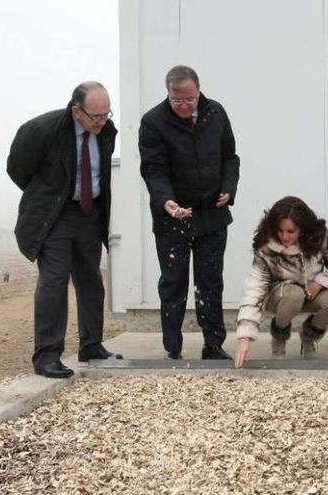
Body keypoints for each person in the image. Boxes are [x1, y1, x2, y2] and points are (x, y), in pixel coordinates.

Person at [7, 81, 122, 379]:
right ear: (76, 110)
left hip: (89, 212)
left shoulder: (104, 131)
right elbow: (18, 169)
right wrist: (51, 194)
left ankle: (91, 345)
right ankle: (47, 356)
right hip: (55, 214)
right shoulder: (43, 130)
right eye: (95, 116)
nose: (102, 121)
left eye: (106, 114)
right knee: (54, 282)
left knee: (91, 279)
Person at [139, 65, 240, 360]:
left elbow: (230, 157)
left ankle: (213, 344)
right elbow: (153, 169)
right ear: (168, 93)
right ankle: (173, 346)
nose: (184, 106)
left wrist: (228, 189)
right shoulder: (153, 122)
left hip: (212, 214)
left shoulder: (215, 113)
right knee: (174, 281)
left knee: (210, 280)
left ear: (198, 91)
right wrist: (166, 201)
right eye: (177, 100)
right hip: (174, 217)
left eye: (189, 99)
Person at [233, 196, 328, 368]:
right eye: (280, 230)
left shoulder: (319, 238)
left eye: (291, 231)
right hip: (280, 296)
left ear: (302, 229)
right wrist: (245, 337)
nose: (284, 236)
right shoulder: (267, 248)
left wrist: (319, 283)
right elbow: (254, 289)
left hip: (311, 292)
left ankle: (309, 335)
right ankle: (279, 336)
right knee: (294, 294)